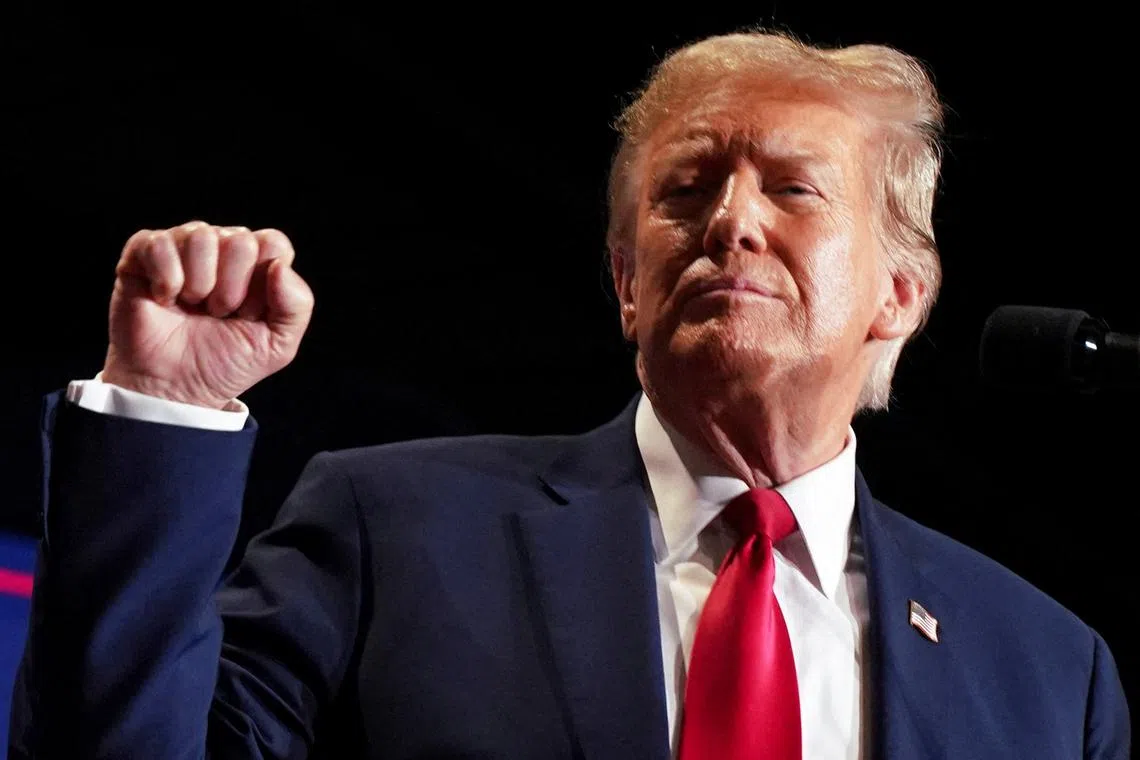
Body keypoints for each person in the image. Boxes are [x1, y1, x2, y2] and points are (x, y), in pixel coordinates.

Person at [7, 29, 1131, 760]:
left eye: (792, 189)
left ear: (899, 293)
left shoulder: (1047, 669)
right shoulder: (390, 529)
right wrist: (161, 405)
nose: (732, 222)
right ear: (626, 282)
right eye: (686, 191)